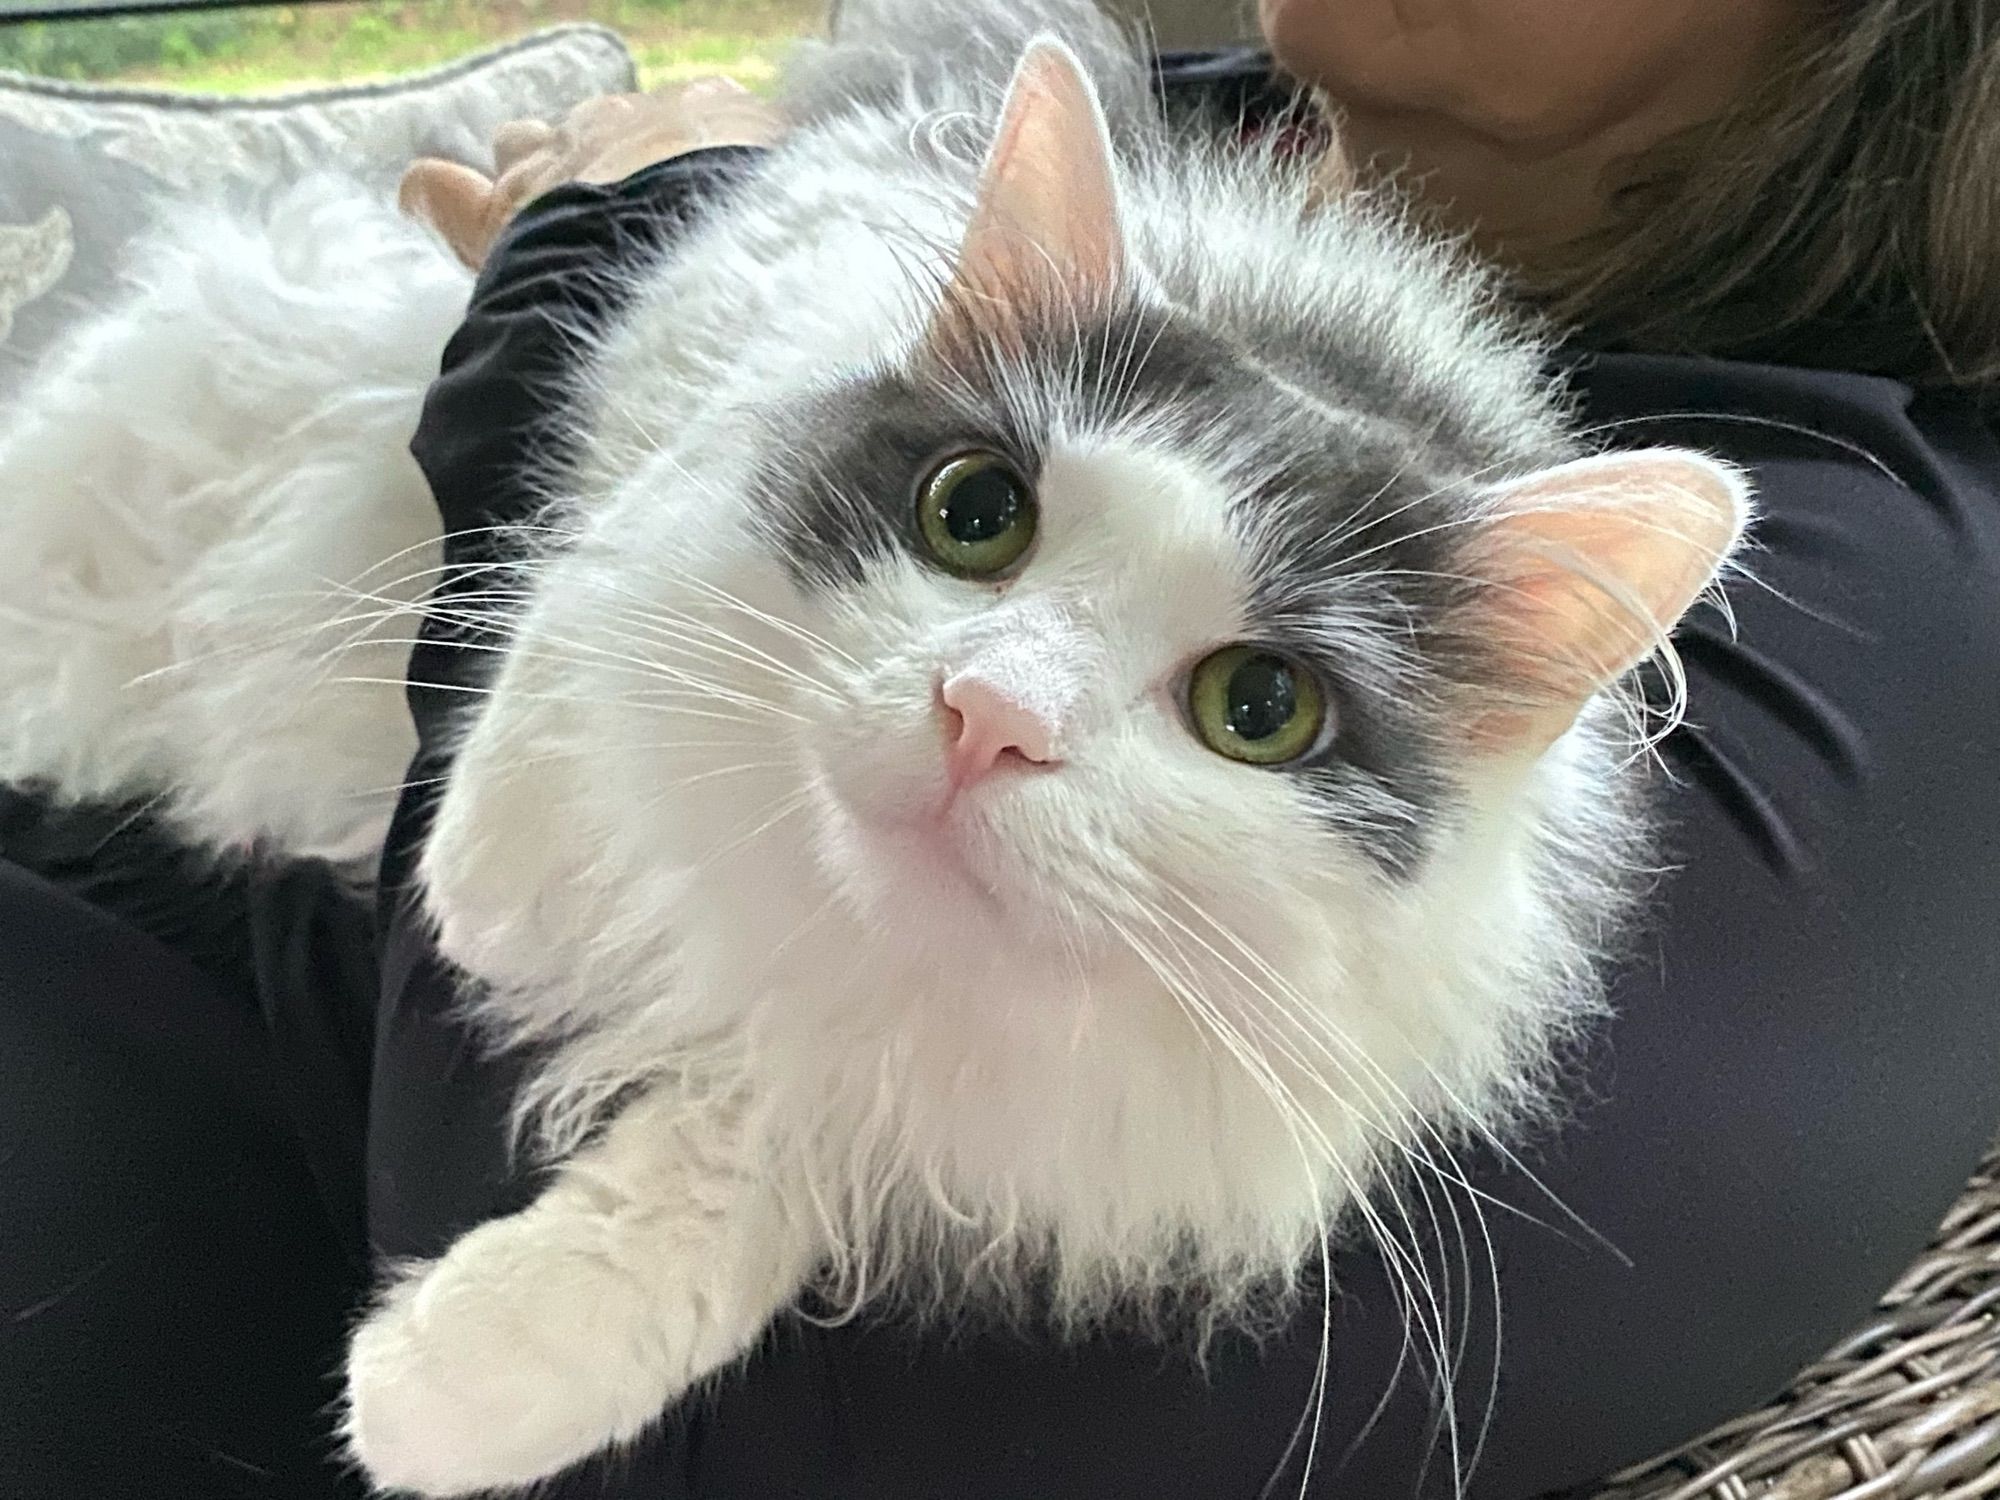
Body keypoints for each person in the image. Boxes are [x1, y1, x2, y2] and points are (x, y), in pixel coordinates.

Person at [3, 3, 1996, 1498]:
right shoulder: (1246, 116)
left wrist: (576, 262)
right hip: (176, 636)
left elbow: (662, 1415)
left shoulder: (1852, 624)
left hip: (250, 1054)